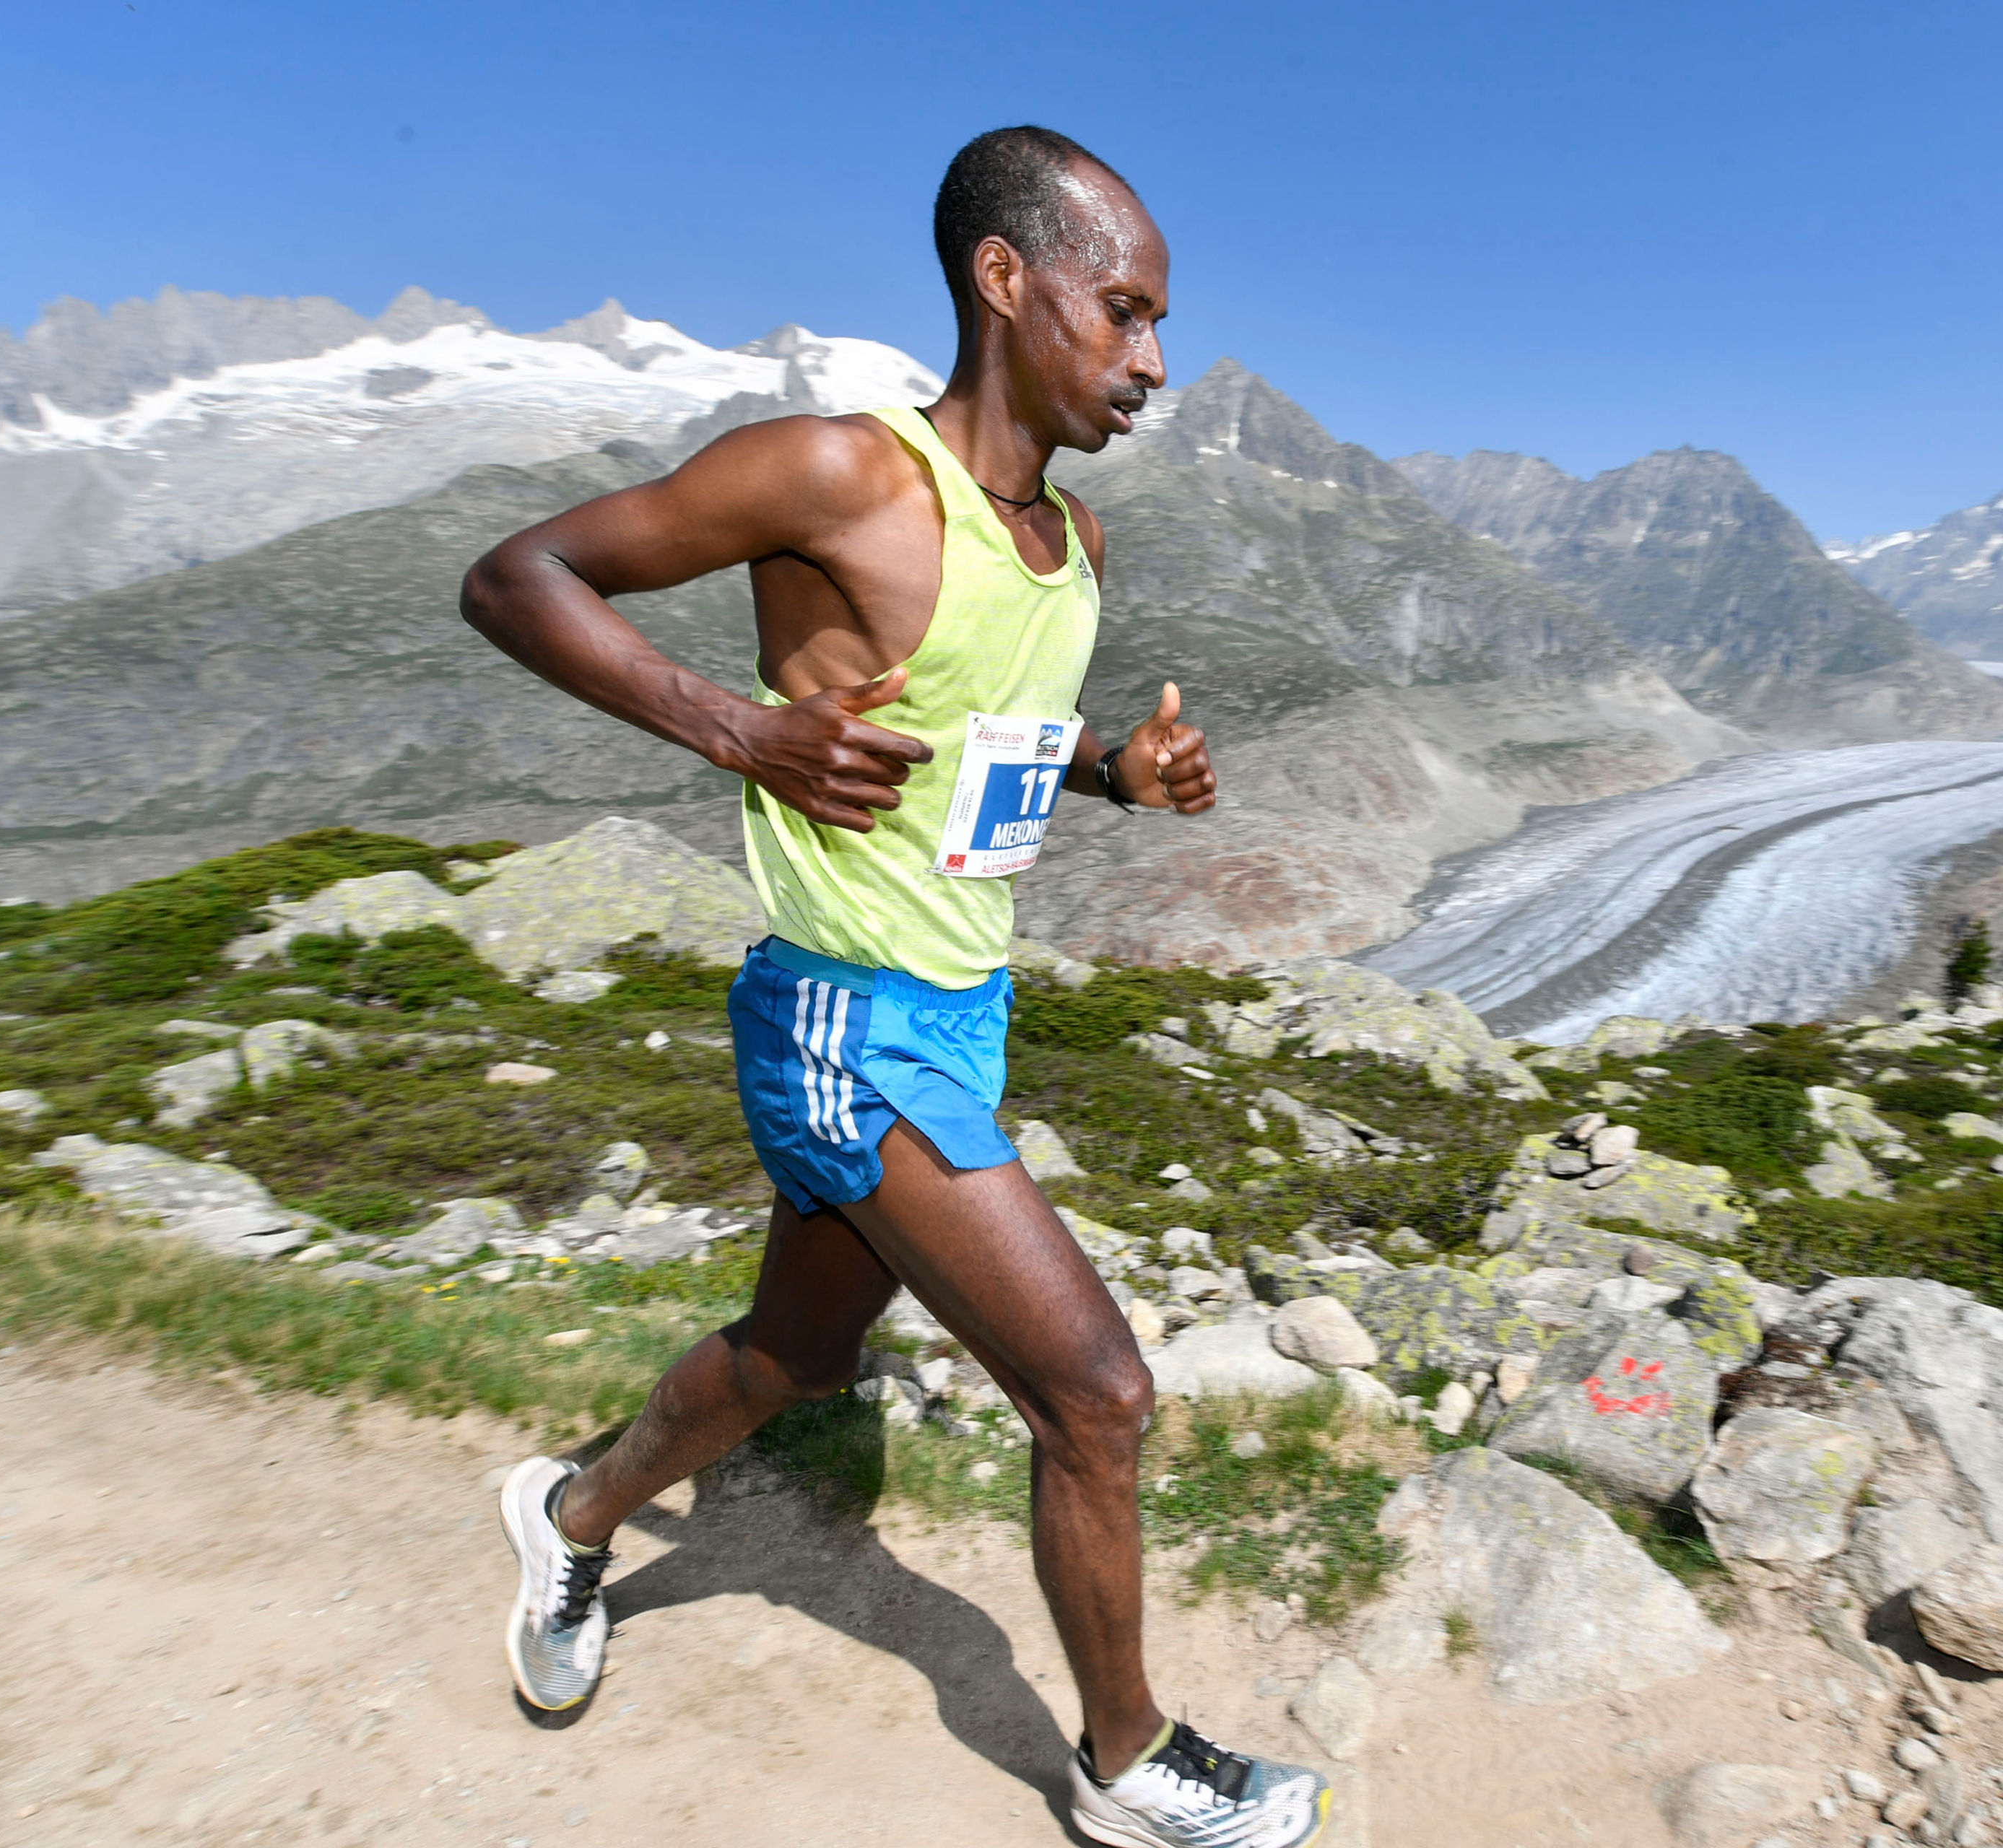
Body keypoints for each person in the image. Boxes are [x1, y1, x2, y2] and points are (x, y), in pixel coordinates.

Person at [458, 126, 1330, 1848]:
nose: (1154, 359)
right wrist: (740, 728)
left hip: (955, 1010)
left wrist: (1112, 774)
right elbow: (516, 578)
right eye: (1126, 310)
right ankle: (1128, 1758)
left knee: (793, 1351)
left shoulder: (1068, 539)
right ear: (1006, 283)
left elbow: (980, 739)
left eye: (1161, 322)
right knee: (1097, 1391)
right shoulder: (843, 475)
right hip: (845, 1016)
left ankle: (570, 1512)